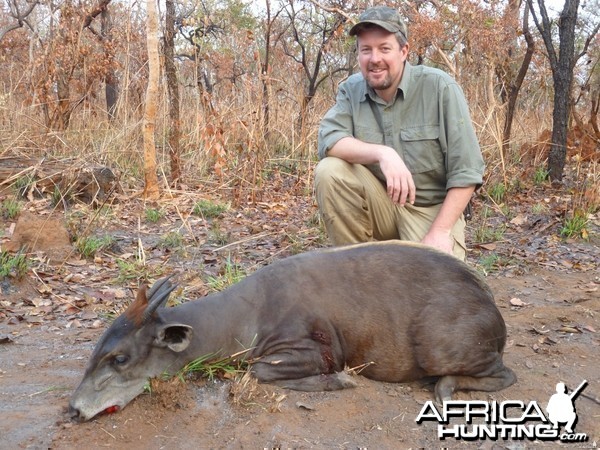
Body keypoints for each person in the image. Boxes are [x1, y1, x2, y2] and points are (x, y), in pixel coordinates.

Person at [315, 6, 485, 260]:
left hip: (430, 211)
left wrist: (440, 231)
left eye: (384, 48)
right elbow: (329, 140)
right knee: (330, 171)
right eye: (366, 50)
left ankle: (427, 249)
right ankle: (359, 268)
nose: (374, 59)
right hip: (381, 206)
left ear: (404, 51)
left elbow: (467, 171)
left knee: (436, 290)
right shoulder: (351, 90)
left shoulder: (440, 87)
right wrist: (383, 154)